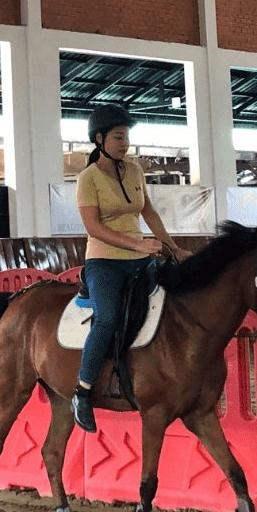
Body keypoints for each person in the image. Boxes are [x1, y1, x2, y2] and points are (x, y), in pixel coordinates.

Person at [71, 106, 180, 433]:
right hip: (104, 262)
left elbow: (149, 213)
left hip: (140, 257)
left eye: (127, 137)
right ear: (100, 139)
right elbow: (94, 227)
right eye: (119, 137)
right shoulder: (87, 179)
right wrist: (138, 246)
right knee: (107, 319)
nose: (125, 143)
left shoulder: (134, 171)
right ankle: (83, 390)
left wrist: (174, 248)